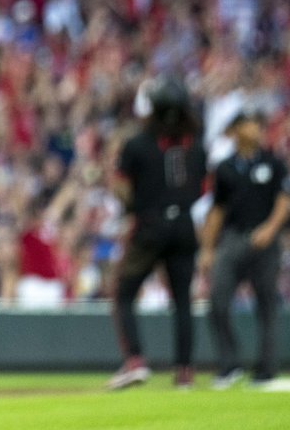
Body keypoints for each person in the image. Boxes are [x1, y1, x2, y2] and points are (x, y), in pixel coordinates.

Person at [107, 76, 207, 391]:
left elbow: (121, 187)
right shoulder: (196, 143)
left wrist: (137, 206)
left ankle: (135, 360)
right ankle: (185, 371)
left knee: (123, 291)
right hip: (185, 226)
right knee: (182, 301)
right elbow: (203, 186)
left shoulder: (137, 143)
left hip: (150, 225)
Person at [200, 110, 290, 389]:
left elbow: (284, 200)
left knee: (266, 304)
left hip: (266, 240)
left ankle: (265, 370)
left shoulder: (273, 163)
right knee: (217, 298)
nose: (257, 130)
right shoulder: (225, 168)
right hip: (234, 237)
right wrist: (207, 248)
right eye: (251, 124)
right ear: (237, 130)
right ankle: (230, 364)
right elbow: (217, 210)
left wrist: (270, 229)